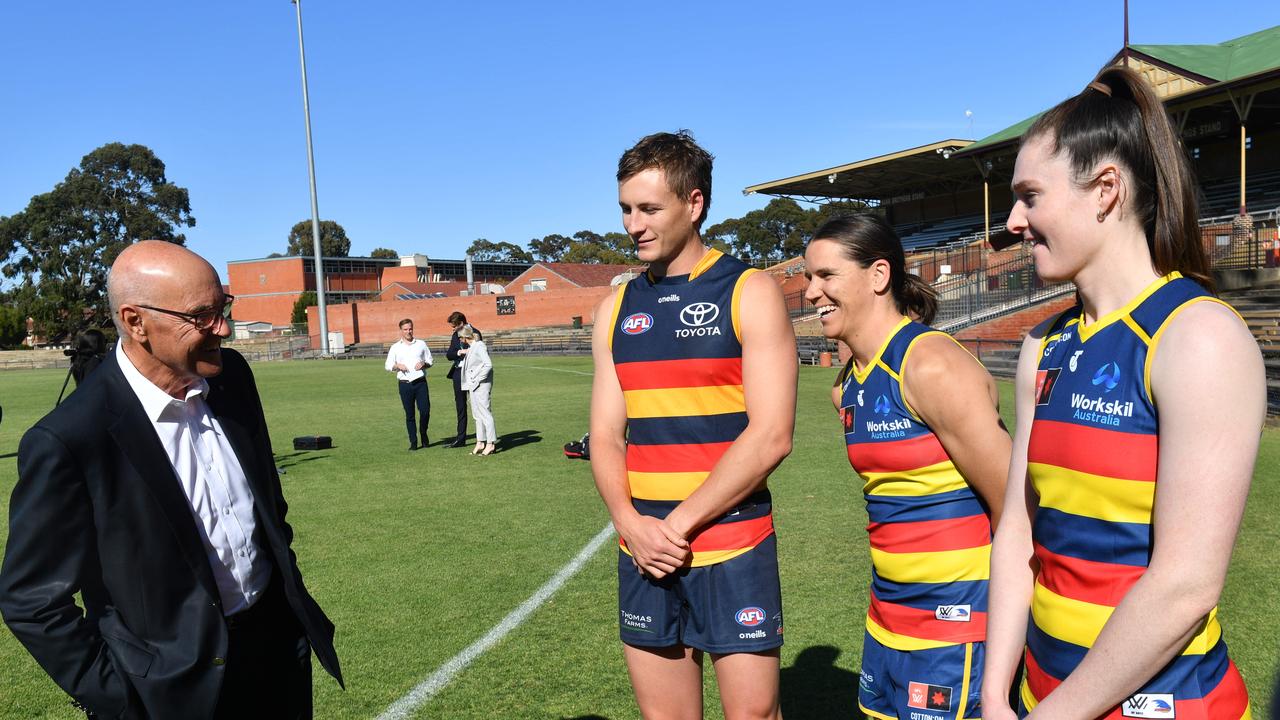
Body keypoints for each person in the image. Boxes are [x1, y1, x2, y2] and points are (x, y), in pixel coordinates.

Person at [982, 66, 1264, 719]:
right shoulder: (1042, 347)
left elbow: (1184, 586)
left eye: (1030, 195)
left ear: (1106, 189)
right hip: (1038, 697)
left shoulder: (1198, 337)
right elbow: (1020, 527)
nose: (1014, 221)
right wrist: (998, 694)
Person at [0, 241, 342, 719]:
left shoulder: (232, 379)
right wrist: (121, 698)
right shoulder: (70, 438)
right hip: (172, 689)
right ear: (136, 321)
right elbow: (31, 601)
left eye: (223, 308)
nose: (222, 328)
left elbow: (268, 507)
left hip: (277, 652)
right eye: (201, 316)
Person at [590, 130, 797, 720]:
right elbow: (606, 435)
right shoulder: (615, 307)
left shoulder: (748, 290)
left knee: (753, 715)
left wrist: (672, 526)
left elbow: (772, 434)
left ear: (695, 203)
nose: (634, 225)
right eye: (627, 210)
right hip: (645, 552)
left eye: (649, 209)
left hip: (734, 543)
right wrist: (631, 525)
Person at [803, 214, 1010, 720]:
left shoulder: (931, 365)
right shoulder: (846, 387)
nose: (811, 293)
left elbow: (1016, 506)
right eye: (809, 277)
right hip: (886, 620)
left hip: (954, 626)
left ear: (878, 276)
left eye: (826, 276)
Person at [385, 317, 433, 450]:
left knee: (425, 411)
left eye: (410, 329)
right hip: (405, 384)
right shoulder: (395, 347)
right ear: (401, 331)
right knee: (409, 414)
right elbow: (388, 365)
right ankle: (413, 441)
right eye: (405, 329)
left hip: (420, 383)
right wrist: (397, 365)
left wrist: (424, 364)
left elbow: (430, 361)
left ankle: (423, 433)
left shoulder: (421, 344)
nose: (408, 331)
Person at [457, 326, 496, 455]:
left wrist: (478, 379)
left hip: (481, 385)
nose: (460, 340)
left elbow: (488, 364)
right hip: (473, 385)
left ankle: (490, 443)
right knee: (477, 415)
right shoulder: (472, 347)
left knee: (485, 413)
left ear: (464, 337)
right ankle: (480, 442)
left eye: (460, 337)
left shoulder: (479, 346)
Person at [444, 311, 477, 448]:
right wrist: (459, 352)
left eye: (454, 327)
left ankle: (483, 438)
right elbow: (449, 354)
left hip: (473, 373)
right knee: (460, 406)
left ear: (461, 324)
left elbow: (479, 353)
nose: (453, 330)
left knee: (477, 406)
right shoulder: (455, 336)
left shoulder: (475, 333)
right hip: (458, 373)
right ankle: (461, 438)